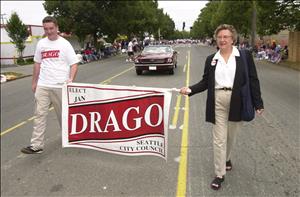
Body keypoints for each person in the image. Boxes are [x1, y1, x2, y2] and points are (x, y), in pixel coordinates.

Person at [179, 24, 264, 190]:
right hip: (217, 99)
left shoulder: (244, 56)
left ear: (233, 39)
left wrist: (258, 103)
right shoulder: (211, 59)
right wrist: (190, 89)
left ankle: (227, 158)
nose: (223, 40)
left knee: (231, 136)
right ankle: (219, 173)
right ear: (216, 39)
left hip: (237, 99)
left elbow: (253, 79)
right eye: (220, 37)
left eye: (226, 37)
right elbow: (205, 82)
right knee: (219, 139)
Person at [21, 16, 79, 154]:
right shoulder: (41, 44)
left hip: (60, 86)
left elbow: (74, 64)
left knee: (63, 116)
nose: (49, 31)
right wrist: (34, 82)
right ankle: (36, 145)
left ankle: (69, 137)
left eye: (51, 28)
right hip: (43, 84)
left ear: (57, 28)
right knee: (39, 114)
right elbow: (37, 63)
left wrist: (71, 79)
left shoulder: (64, 44)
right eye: (46, 29)